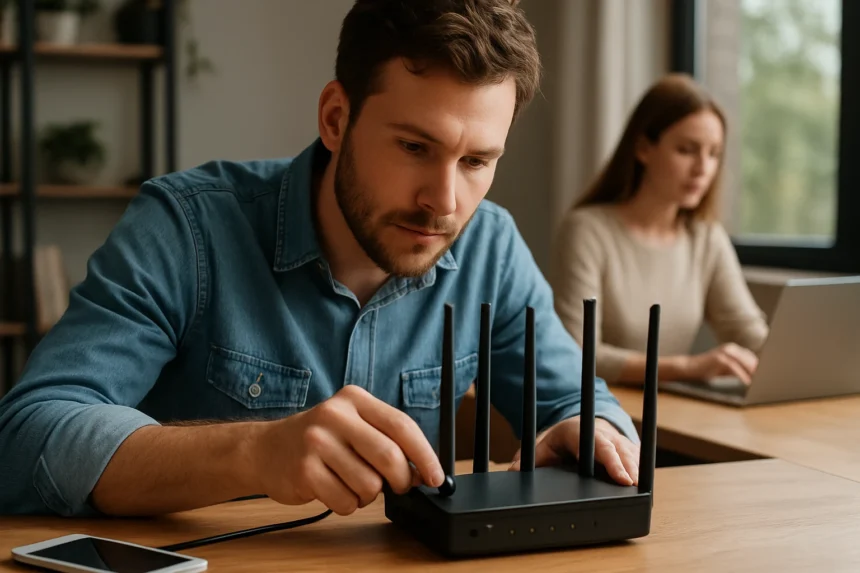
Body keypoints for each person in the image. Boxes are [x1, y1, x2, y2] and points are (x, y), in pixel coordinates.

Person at [0, 0, 641, 518]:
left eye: (476, 162)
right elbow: (27, 438)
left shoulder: (490, 246)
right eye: (415, 147)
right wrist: (254, 453)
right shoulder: (187, 226)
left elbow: (588, 407)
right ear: (336, 118)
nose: (444, 202)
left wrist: (586, 432)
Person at [550, 73, 769, 388]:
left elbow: (749, 333)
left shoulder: (706, 238)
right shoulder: (586, 231)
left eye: (713, 154)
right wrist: (688, 367)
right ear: (643, 148)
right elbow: (578, 353)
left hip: (674, 414)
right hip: (601, 415)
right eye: (687, 149)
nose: (703, 168)